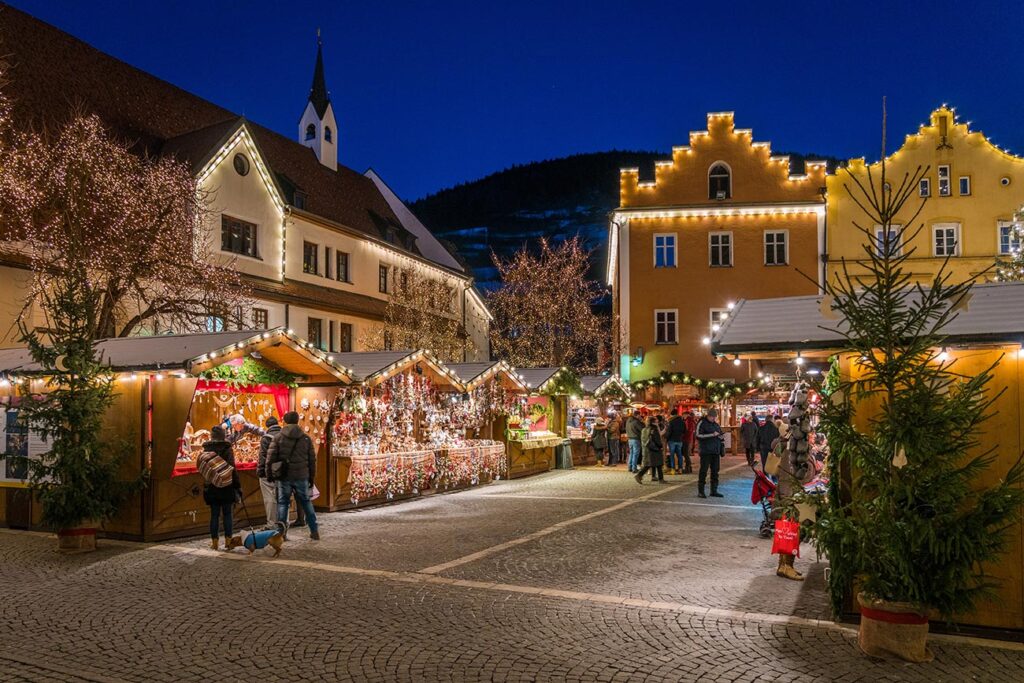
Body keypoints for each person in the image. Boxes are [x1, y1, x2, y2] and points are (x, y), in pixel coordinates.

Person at [266, 411, 320, 540]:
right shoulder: (305, 438)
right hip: (302, 475)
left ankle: (281, 533)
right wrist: (311, 477)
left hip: (284, 476)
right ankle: (314, 530)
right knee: (306, 502)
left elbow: (270, 458)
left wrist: (269, 475)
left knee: (283, 503)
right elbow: (312, 460)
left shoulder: (278, 438)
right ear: (297, 421)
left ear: (284, 421)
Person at [199, 425, 241, 550]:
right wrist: (238, 486)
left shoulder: (206, 450)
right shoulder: (227, 448)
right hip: (227, 485)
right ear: (223, 436)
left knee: (214, 515)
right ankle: (228, 541)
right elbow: (232, 468)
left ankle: (215, 543)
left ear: (212, 436)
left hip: (211, 485)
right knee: (228, 514)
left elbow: (203, 469)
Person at [257, 416, 281, 528]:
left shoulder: (266, 438)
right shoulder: (285, 436)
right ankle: (282, 524)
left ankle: (272, 524)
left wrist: (261, 472)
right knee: (282, 499)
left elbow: (263, 457)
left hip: (269, 472)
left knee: (269, 498)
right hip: (283, 473)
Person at [695, 408, 725, 498]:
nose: (713, 418)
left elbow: (719, 435)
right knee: (703, 471)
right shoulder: (702, 423)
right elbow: (698, 435)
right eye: (712, 416)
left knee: (715, 471)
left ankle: (714, 490)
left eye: (714, 417)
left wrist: (721, 437)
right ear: (708, 416)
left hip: (715, 451)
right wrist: (712, 434)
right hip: (706, 451)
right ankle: (701, 491)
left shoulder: (716, 424)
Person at [635, 415, 665, 484]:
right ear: (653, 422)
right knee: (658, 464)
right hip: (655, 449)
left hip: (647, 448)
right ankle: (639, 475)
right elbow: (657, 440)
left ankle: (656, 477)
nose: (657, 422)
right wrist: (660, 446)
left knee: (650, 464)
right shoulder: (654, 430)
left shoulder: (644, 429)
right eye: (656, 421)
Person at [664, 407, 686, 475]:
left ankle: (673, 469)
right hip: (679, 440)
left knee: (672, 455)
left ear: (672, 415)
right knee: (679, 455)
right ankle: (680, 469)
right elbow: (684, 430)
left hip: (672, 440)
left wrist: (666, 438)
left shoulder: (671, 421)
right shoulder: (682, 421)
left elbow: (669, 431)